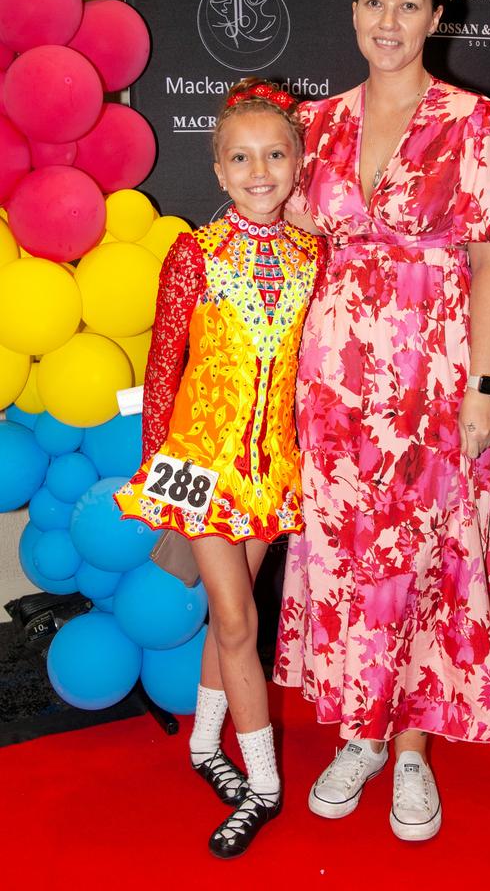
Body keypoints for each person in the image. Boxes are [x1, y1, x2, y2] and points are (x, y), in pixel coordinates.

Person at [273, 0, 490, 842]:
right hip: (333, 395)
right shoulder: (317, 122)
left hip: (436, 386)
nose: (388, 22)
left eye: (408, 4)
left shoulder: (473, 120)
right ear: (352, 11)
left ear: (437, 17)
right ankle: (360, 735)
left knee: (431, 569)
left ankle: (415, 752)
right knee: (348, 569)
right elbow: (287, 247)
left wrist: (485, 389)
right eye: (373, 3)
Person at [115, 78, 323, 859]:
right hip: (199, 469)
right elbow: (163, 365)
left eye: (275, 154)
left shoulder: (313, 255)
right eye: (242, 157)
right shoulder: (194, 253)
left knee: (226, 623)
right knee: (238, 621)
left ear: (298, 161)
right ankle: (264, 786)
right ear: (219, 169)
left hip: (272, 471)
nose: (260, 170)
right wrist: (157, 482)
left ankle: (206, 744)